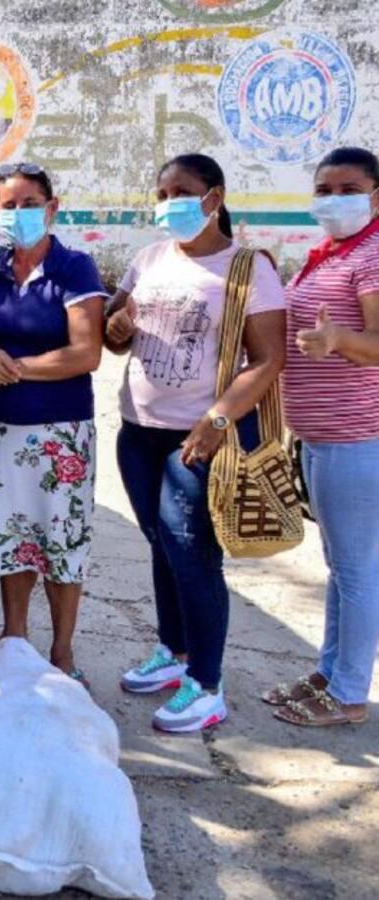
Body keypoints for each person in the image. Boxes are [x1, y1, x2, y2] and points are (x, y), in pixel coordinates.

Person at [105, 153, 286, 732]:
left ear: (214, 197)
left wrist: (217, 419)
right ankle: (173, 651)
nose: (168, 203)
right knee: (160, 542)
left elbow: (268, 359)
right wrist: (117, 328)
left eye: (181, 191)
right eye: (161, 193)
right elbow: (117, 332)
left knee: (192, 554)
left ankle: (207, 684)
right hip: (139, 432)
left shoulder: (247, 267)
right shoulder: (148, 258)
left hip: (200, 436)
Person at [0, 163, 106, 687]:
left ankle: (62, 653)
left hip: (62, 432)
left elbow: (86, 352)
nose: (18, 213)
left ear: (52, 206)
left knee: (61, 540)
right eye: (9, 204)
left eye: (29, 203)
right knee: (12, 535)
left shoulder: (75, 268)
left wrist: (16, 367)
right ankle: (14, 638)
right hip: (5, 428)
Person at [266, 147, 379, 728]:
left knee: (357, 571)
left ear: (375, 195)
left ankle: (350, 693)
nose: (334, 199)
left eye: (349, 187)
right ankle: (331, 672)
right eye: (325, 188)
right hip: (320, 436)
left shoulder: (373, 255)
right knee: (340, 566)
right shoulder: (334, 253)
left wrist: (338, 339)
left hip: (357, 436)